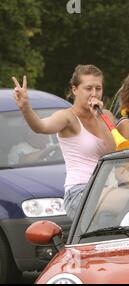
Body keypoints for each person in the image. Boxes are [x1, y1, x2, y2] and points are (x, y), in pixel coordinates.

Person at [12, 65, 116, 219]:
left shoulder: (106, 115)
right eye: (88, 88)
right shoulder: (67, 117)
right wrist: (25, 108)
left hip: (109, 188)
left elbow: (114, 153)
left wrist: (100, 118)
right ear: (75, 90)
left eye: (98, 88)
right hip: (80, 191)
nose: (94, 93)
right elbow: (40, 127)